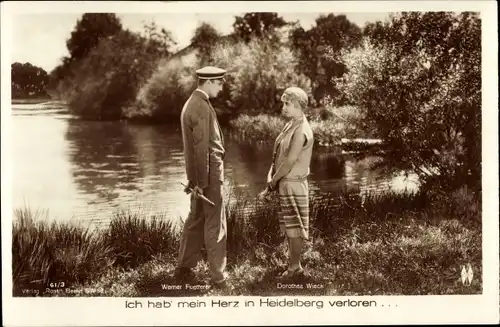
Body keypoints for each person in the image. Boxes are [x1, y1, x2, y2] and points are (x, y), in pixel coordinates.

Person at [176, 66, 229, 288]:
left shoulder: (194, 102)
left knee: (196, 219)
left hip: (199, 175)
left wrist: (195, 181)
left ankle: (184, 268)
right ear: (208, 82)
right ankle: (218, 277)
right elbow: (200, 149)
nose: (222, 87)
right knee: (215, 223)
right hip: (209, 175)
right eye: (219, 83)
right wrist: (200, 184)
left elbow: (197, 149)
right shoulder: (199, 106)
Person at [259, 86, 314, 280]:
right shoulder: (291, 124)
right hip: (285, 181)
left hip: (293, 183)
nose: (284, 107)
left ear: (298, 105)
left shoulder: (301, 130)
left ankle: (294, 268)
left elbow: (290, 161)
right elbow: (278, 155)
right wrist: (270, 175)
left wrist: (273, 182)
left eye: (287, 103)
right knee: (289, 226)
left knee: (295, 229)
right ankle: (293, 264)